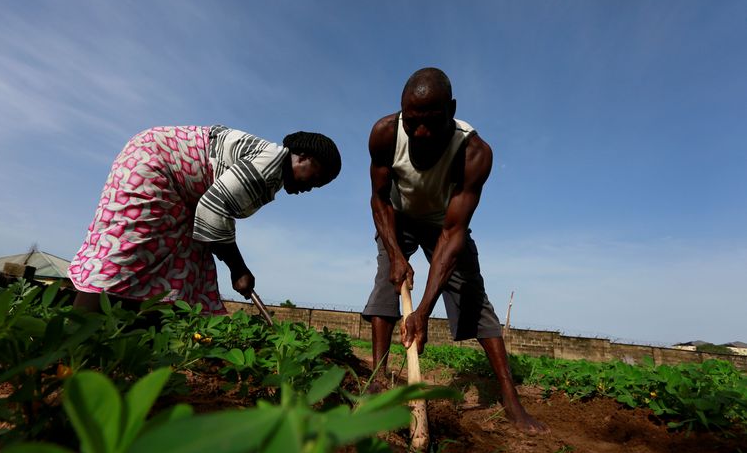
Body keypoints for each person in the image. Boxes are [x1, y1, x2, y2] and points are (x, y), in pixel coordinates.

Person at [362, 67, 547, 434]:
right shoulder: (385, 134)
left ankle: (510, 397)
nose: (421, 133)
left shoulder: (473, 152)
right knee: (387, 281)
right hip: (396, 218)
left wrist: (425, 311)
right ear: (402, 113)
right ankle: (378, 381)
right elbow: (379, 200)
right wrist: (397, 256)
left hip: (443, 223)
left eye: (432, 122)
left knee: (473, 297)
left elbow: (453, 231)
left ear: (452, 109)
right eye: (412, 122)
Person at [68, 125, 340, 313]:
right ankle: (76, 338)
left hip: (179, 190)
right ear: (302, 156)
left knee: (182, 260)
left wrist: (235, 264)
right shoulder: (270, 164)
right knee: (130, 249)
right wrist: (239, 269)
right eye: (317, 176)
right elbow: (214, 208)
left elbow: (211, 210)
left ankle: (139, 337)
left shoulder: (271, 171)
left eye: (320, 186)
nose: (312, 187)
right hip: (154, 164)